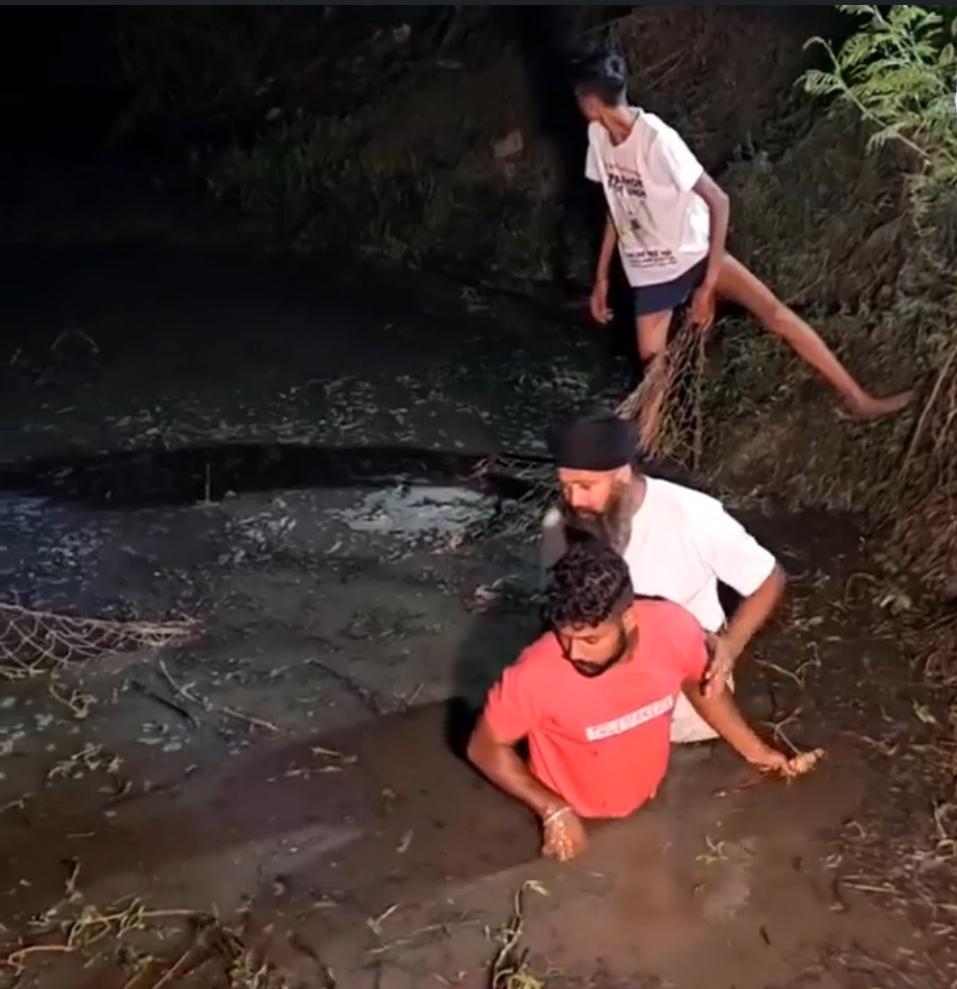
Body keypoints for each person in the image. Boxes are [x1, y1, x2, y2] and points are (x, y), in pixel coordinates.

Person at [571, 49, 911, 422]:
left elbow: (719, 201)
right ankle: (646, 456)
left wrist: (707, 287)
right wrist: (602, 277)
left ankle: (857, 400)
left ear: (590, 100)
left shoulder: (658, 141)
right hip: (648, 270)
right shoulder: (598, 136)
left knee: (777, 315)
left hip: (693, 253)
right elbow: (616, 204)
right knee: (654, 371)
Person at [467, 540, 804, 862]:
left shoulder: (674, 628)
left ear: (628, 619)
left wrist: (757, 752)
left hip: (649, 798)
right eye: (565, 637)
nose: (573, 653)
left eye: (590, 639)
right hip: (574, 814)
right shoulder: (534, 674)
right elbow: (484, 747)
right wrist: (552, 809)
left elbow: (697, 684)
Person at [541, 410, 786, 744]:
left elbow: (769, 579)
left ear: (622, 476)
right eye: (566, 486)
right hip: (600, 659)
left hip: (683, 670)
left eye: (585, 486)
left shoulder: (694, 517)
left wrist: (730, 647)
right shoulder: (560, 522)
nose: (573, 500)